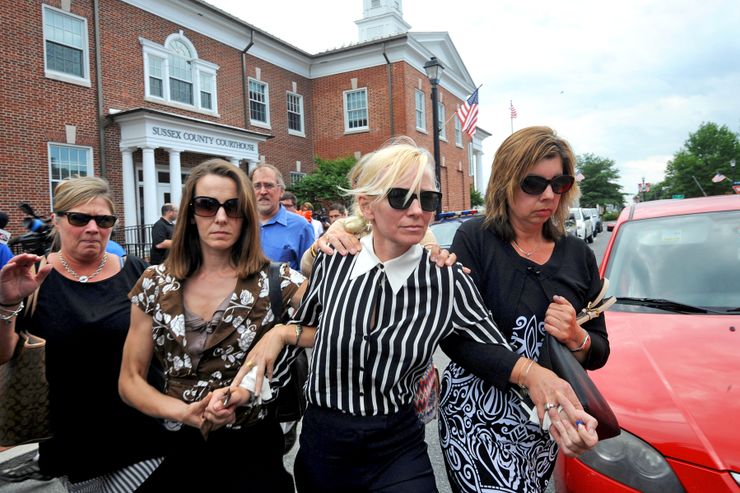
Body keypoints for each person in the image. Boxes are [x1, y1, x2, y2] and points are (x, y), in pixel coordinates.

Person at [238, 139, 597, 493]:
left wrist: (555, 410)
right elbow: (314, 328)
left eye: (427, 199)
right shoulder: (333, 262)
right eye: (400, 197)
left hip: (397, 445)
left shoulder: (447, 278)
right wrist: (261, 368)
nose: (416, 210)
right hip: (324, 444)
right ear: (366, 205)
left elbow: (498, 355)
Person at [438, 126, 611, 492]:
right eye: (533, 184)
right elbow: (455, 338)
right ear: (506, 181)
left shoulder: (578, 254)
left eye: (559, 183)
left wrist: (577, 337)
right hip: (476, 418)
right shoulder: (475, 238)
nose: (548, 195)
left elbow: (599, 350)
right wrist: (529, 373)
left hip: (542, 422)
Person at [119, 158, 306, 492]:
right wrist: (183, 412)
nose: (220, 217)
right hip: (177, 450)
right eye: (207, 205)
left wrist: (283, 333)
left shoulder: (278, 281)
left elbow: (343, 325)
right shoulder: (154, 282)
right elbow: (130, 378)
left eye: (232, 207)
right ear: (190, 214)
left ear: (246, 215)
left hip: (253, 450)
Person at [0, 176, 166, 491]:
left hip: (145, 433)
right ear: (57, 220)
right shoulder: (32, 279)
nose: (93, 228)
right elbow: (4, 354)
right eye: (79, 218)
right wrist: (7, 302)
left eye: (104, 220)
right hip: (74, 438)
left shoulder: (135, 271)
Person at [251, 163, 314, 270]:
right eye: (257, 186)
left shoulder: (301, 227)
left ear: (281, 192)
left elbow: (310, 272)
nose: (262, 191)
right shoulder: (240, 223)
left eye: (269, 185)